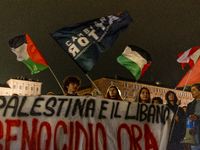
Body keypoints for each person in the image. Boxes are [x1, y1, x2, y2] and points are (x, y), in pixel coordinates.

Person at [186, 83, 200, 149]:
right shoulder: (190, 105)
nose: (191, 92)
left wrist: (197, 118)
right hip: (194, 134)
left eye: (194, 90)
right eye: (191, 90)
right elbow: (186, 119)